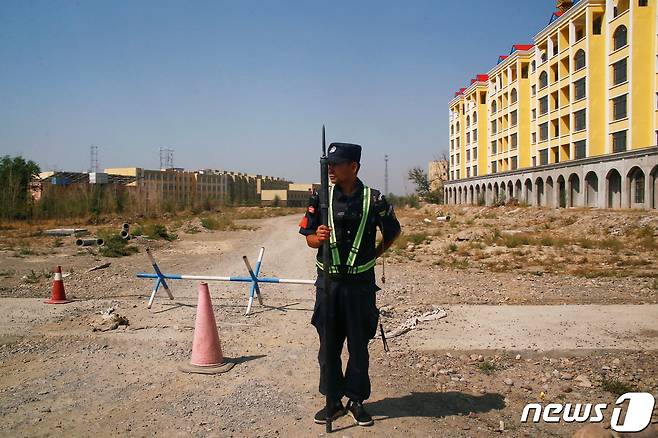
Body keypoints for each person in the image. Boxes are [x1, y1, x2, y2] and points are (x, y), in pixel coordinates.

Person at [298, 142, 401, 427]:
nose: (330, 169)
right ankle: (332, 401)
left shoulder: (374, 200)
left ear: (353, 166)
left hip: (360, 286)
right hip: (329, 285)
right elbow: (307, 237)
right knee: (328, 346)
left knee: (358, 345)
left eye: (337, 164)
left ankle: (356, 401)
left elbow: (393, 232)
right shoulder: (321, 197)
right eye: (328, 164)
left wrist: (373, 256)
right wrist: (316, 239)